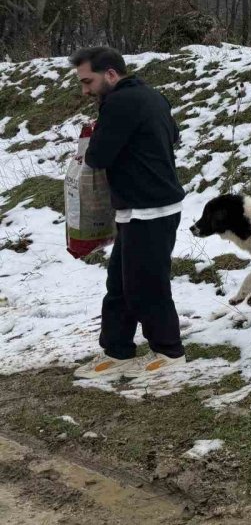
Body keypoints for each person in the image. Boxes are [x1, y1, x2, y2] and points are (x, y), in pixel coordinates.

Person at [69, 46, 187, 381]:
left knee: (146, 285)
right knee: (120, 283)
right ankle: (117, 350)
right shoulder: (153, 96)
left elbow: (99, 157)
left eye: (88, 81)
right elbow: (174, 135)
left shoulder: (119, 103)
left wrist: (97, 136)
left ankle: (169, 351)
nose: (85, 90)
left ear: (110, 74)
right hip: (147, 204)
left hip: (148, 208)